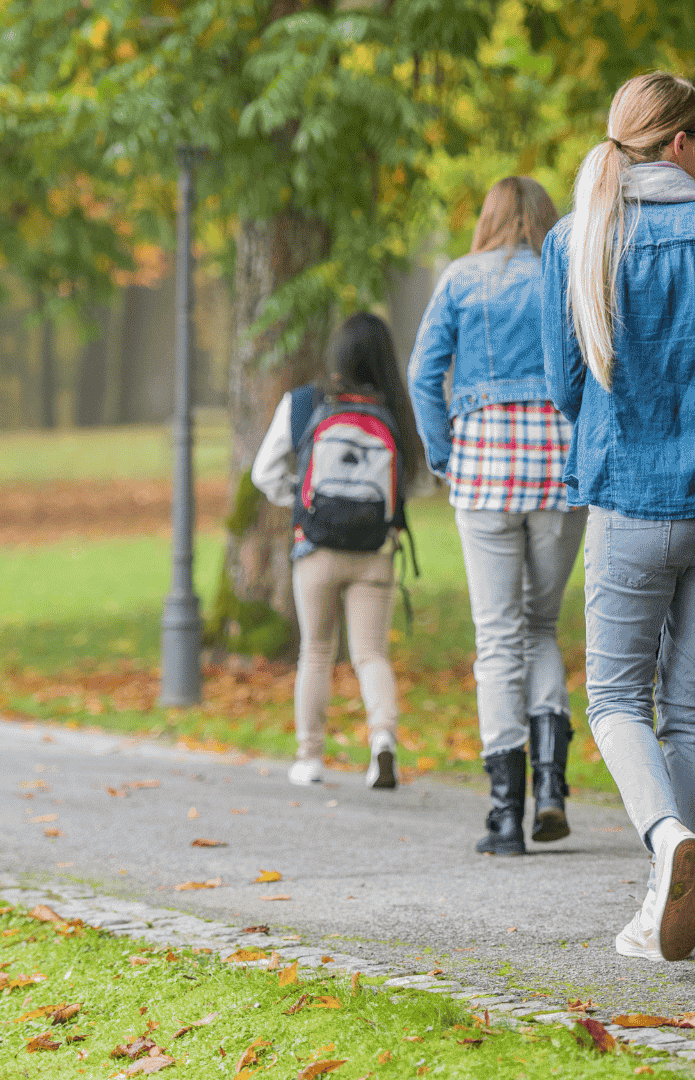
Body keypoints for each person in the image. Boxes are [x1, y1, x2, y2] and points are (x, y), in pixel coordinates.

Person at [542, 72, 695, 961]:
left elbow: (566, 387)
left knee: (613, 698)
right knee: (690, 707)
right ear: (682, 143)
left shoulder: (576, 238)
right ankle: (663, 896)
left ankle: (663, 842)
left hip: (626, 500)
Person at [408, 177, 586, 856]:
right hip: (558, 469)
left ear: (487, 218)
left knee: (497, 637)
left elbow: (425, 374)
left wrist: (444, 456)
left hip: (484, 471)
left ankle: (505, 817)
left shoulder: (460, 278)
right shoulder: (565, 277)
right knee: (540, 625)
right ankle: (551, 791)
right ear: (543, 219)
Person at [251, 313, 422, 791]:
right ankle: (382, 743)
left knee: (317, 651)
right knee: (371, 653)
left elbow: (263, 474)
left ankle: (309, 758)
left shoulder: (303, 403)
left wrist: (302, 503)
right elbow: (419, 483)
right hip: (375, 552)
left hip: (316, 550)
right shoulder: (396, 412)